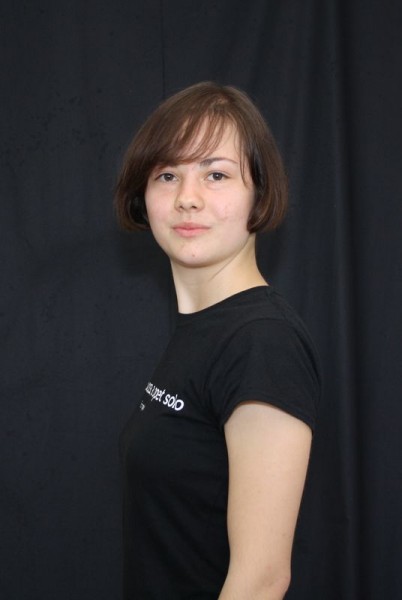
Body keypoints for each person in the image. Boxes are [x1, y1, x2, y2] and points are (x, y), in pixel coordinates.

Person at [115, 82, 320, 599]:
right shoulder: (204, 329)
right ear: (143, 196)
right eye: (167, 175)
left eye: (216, 174)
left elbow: (261, 580)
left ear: (260, 194)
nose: (187, 197)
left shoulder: (262, 342)